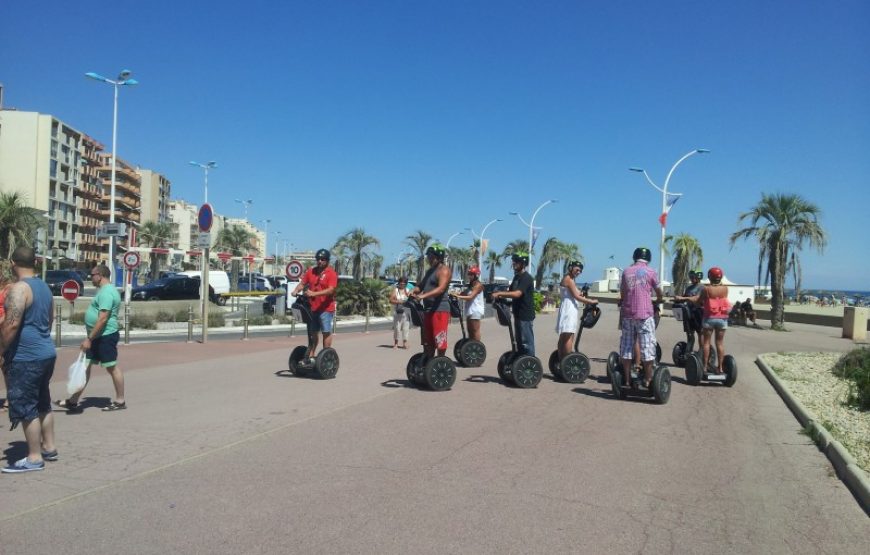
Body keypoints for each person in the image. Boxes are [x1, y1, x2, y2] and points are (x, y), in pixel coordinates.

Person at [1, 247, 57, 473]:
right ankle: (49, 447)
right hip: (46, 352)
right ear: (34, 262)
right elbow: (50, 319)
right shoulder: (44, 287)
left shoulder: (19, 289)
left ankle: (34, 457)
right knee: (43, 401)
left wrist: (2, 350)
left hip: (26, 356)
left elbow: (11, 324)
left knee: (25, 406)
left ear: (13, 263)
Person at [56, 264, 126, 412]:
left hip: (105, 336)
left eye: (92, 275)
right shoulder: (105, 291)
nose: (90, 278)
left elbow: (102, 318)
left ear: (100, 275)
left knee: (112, 367)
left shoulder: (107, 293)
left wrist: (89, 338)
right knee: (85, 367)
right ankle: (73, 401)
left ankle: (120, 401)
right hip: (97, 337)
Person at [618, 247, 663, 389]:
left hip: (628, 314)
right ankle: (648, 380)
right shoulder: (651, 272)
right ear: (648, 258)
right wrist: (659, 299)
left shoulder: (626, 271)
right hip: (645, 315)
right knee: (647, 347)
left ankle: (626, 380)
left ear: (634, 257)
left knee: (626, 347)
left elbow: (623, 293)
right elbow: (659, 291)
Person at [292, 249, 338, 363]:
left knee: (325, 332)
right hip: (313, 308)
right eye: (318, 259)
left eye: (322, 259)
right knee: (313, 332)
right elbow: (303, 283)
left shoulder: (331, 273)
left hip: (326, 309)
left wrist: (314, 293)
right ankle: (311, 356)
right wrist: (296, 290)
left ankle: (326, 355)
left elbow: (331, 290)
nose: (320, 261)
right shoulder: (311, 272)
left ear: (327, 260)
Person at [410, 244, 451, 358]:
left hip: (440, 310)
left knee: (440, 339)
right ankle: (430, 362)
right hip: (428, 310)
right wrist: (413, 290)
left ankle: (440, 362)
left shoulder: (444, 270)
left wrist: (423, 296)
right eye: (428, 256)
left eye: (431, 257)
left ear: (439, 257)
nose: (429, 259)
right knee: (429, 340)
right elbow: (421, 286)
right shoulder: (430, 271)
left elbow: (441, 288)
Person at [492, 252, 536, 356]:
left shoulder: (527, 278)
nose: (514, 264)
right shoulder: (516, 278)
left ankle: (530, 362)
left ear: (523, 263)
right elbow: (509, 292)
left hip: (525, 315)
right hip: (517, 314)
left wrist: (499, 293)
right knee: (519, 342)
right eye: (513, 262)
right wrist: (500, 296)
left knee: (526, 343)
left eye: (516, 262)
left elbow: (517, 294)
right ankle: (521, 362)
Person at [555, 260, 597, 362]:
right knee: (569, 336)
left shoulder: (569, 279)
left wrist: (582, 293)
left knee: (563, 337)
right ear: (571, 267)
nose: (578, 272)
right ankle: (568, 362)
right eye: (577, 269)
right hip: (569, 310)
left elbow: (576, 293)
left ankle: (561, 361)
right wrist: (591, 301)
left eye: (580, 271)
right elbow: (576, 297)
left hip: (566, 308)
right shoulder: (569, 279)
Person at [699, 266, 731, 373]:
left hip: (709, 318)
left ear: (709, 276)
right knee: (720, 343)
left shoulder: (706, 289)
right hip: (722, 319)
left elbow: (699, 300)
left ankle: (704, 366)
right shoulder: (725, 289)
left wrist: (685, 298)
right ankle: (721, 367)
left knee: (706, 342)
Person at [452, 266, 485, 342]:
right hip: (470, 310)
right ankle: (471, 346)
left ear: (476, 275)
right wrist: (454, 293)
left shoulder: (478, 285)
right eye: (469, 274)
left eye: (471, 274)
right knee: (470, 331)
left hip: (476, 311)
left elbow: (470, 297)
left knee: (475, 330)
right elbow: (463, 293)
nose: (469, 276)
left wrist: (458, 296)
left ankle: (477, 345)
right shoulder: (470, 285)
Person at [674, 269, 704, 348]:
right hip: (688, 312)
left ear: (698, 277)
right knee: (690, 333)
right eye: (691, 277)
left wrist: (683, 298)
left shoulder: (702, 287)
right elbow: (683, 297)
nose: (692, 278)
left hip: (698, 312)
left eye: (693, 277)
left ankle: (701, 352)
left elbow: (696, 298)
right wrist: (678, 298)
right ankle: (689, 351)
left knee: (700, 333)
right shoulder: (689, 288)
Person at [0, 259, 14, 412]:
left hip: (4, 330)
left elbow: (11, 311)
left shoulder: (10, 288)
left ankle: (11, 398)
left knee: (5, 365)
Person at [390, 276, 411, 349]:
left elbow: (411, 300)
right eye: (401, 283)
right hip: (397, 312)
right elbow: (391, 300)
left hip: (406, 313)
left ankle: (405, 343)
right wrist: (399, 301)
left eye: (404, 284)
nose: (402, 285)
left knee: (406, 328)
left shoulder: (407, 290)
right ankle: (396, 343)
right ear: (398, 283)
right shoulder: (395, 290)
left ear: (406, 284)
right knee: (397, 328)